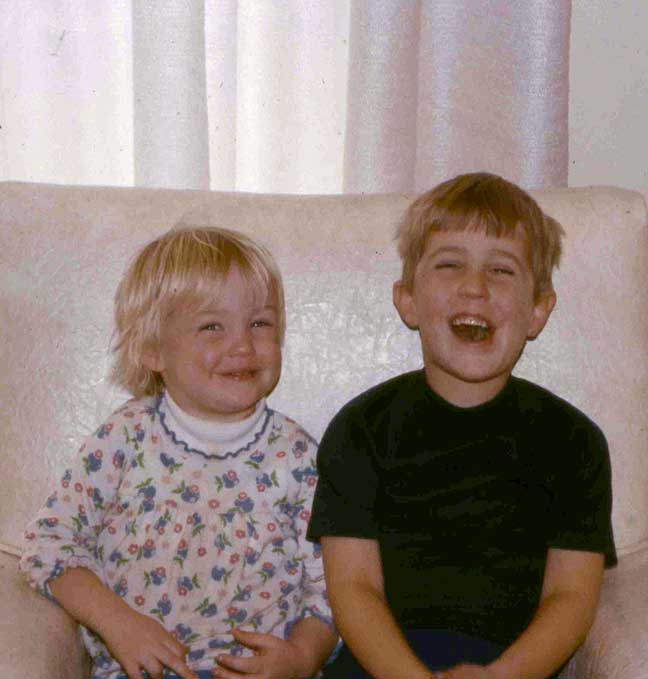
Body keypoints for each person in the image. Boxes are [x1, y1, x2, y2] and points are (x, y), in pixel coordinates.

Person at [307, 172, 616, 679]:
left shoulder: (575, 443)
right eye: (449, 264)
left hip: (513, 669)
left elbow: (571, 597)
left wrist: (500, 678)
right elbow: (353, 589)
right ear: (407, 299)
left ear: (538, 311)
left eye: (501, 269)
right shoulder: (360, 429)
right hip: (381, 666)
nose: (474, 287)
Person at [20, 227, 337, 679]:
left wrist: (303, 657)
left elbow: (332, 586)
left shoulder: (298, 457)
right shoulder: (126, 438)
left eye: (260, 323)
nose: (243, 344)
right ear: (153, 350)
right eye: (212, 326)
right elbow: (49, 544)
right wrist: (117, 623)